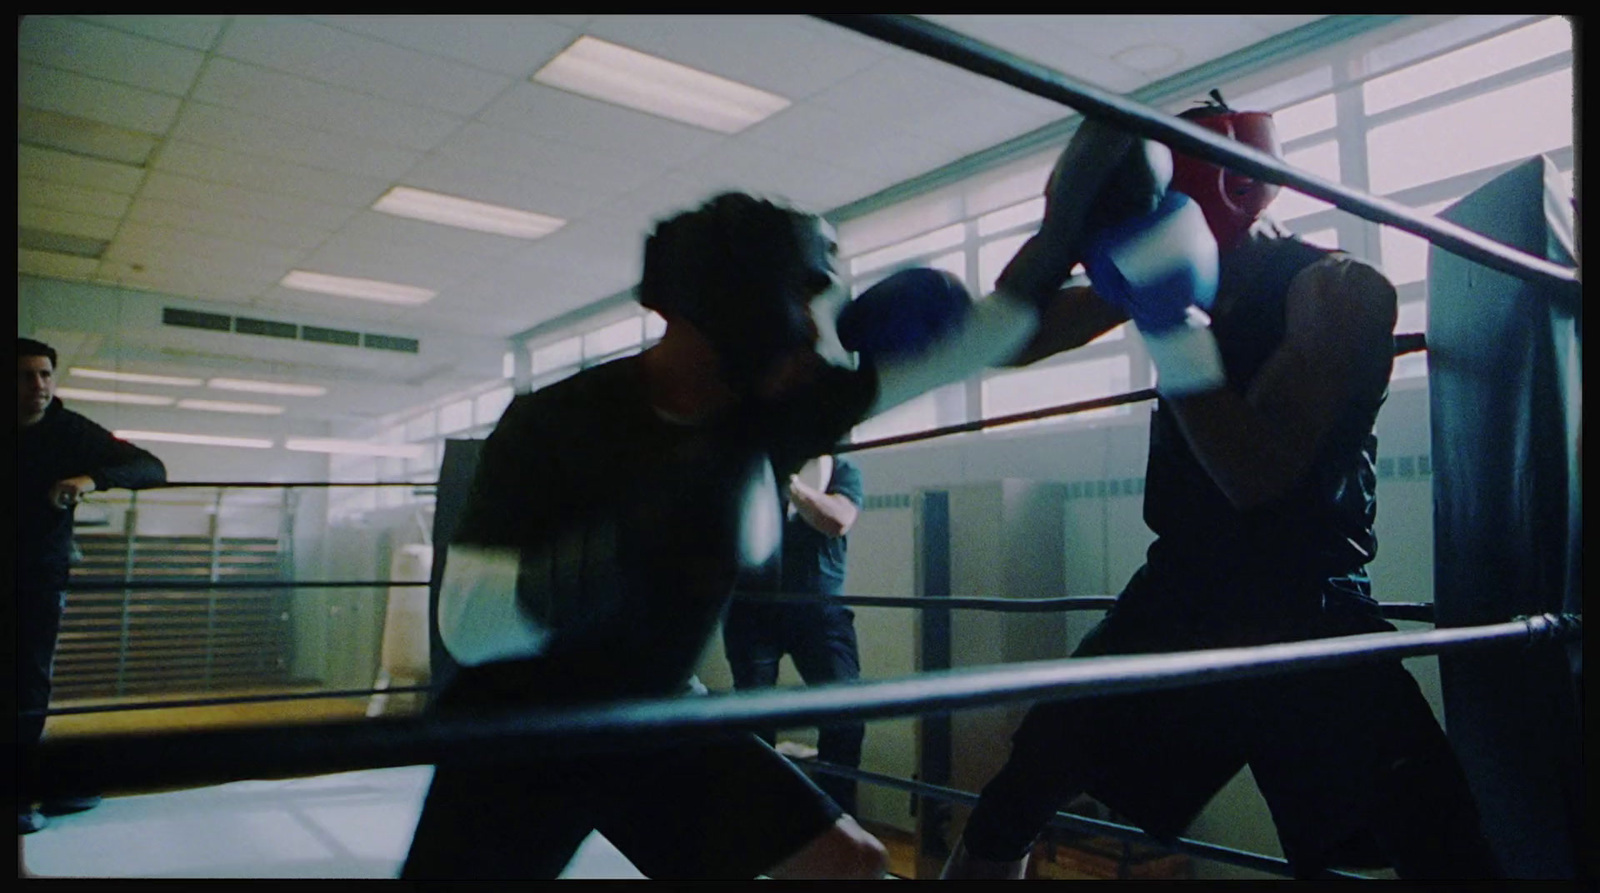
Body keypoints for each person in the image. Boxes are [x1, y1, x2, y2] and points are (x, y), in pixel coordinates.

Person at [400, 116, 1165, 880]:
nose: (815, 332)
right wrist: (629, 542)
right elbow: (468, 624)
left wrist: (1085, 246)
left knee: (849, 863)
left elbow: (982, 339)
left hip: (658, 707)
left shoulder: (777, 400)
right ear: (733, 308)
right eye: (800, 303)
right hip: (524, 725)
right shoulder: (554, 419)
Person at [942, 93, 1499, 880]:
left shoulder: (1339, 288)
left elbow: (1258, 474)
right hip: (1179, 592)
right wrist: (1060, 232)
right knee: (1017, 793)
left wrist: (1170, 319)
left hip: (1305, 609)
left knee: (1440, 849)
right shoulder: (1156, 272)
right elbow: (996, 342)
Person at [16, 338, 168, 835]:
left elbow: (152, 468)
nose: (37, 387)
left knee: (28, 682)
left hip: (37, 576)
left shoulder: (69, 429)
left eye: (45, 375)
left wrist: (92, 479)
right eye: (24, 376)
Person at [722, 452, 867, 817]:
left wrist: (793, 488)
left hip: (820, 612)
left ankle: (836, 820)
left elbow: (837, 520)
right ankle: (761, 822)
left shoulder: (842, 470)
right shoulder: (749, 470)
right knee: (755, 719)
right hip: (753, 610)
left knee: (846, 714)